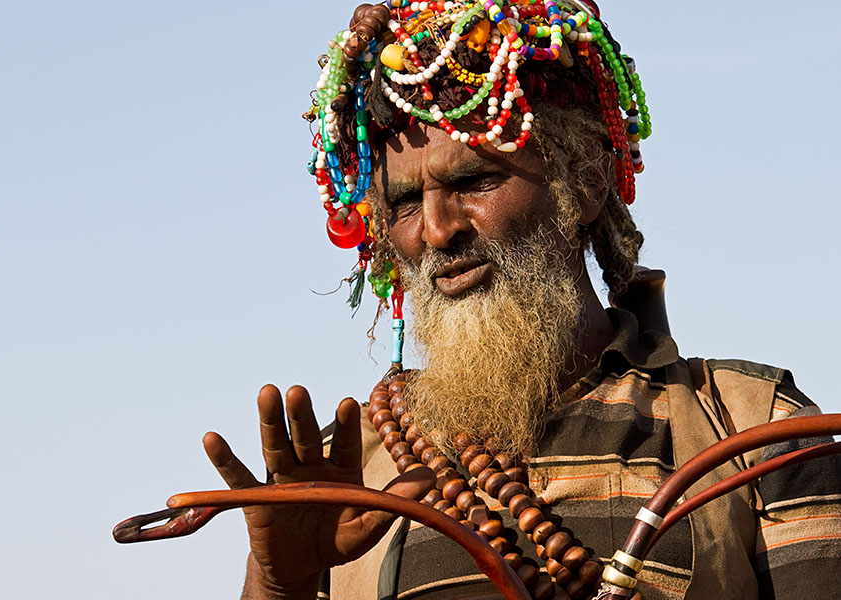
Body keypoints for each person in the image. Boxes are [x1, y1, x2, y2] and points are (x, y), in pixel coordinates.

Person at [200, 2, 841, 599]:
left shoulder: (756, 429)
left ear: (584, 184)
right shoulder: (360, 470)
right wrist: (277, 584)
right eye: (402, 202)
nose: (436, 228)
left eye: (474, 179)